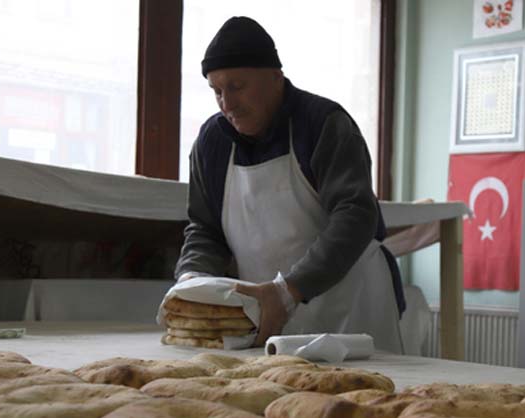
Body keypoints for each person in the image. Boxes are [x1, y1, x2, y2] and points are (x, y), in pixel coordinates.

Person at [171, 16, 405, 353]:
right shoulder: (212, 142)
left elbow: (355, 215)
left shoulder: (323, 123)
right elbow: (205, 229)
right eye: (217, 91)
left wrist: (289, 290)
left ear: (275, 77)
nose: (227, 104)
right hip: (269, 314)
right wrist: (193, 279)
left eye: (237, 87)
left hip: (351, 305)